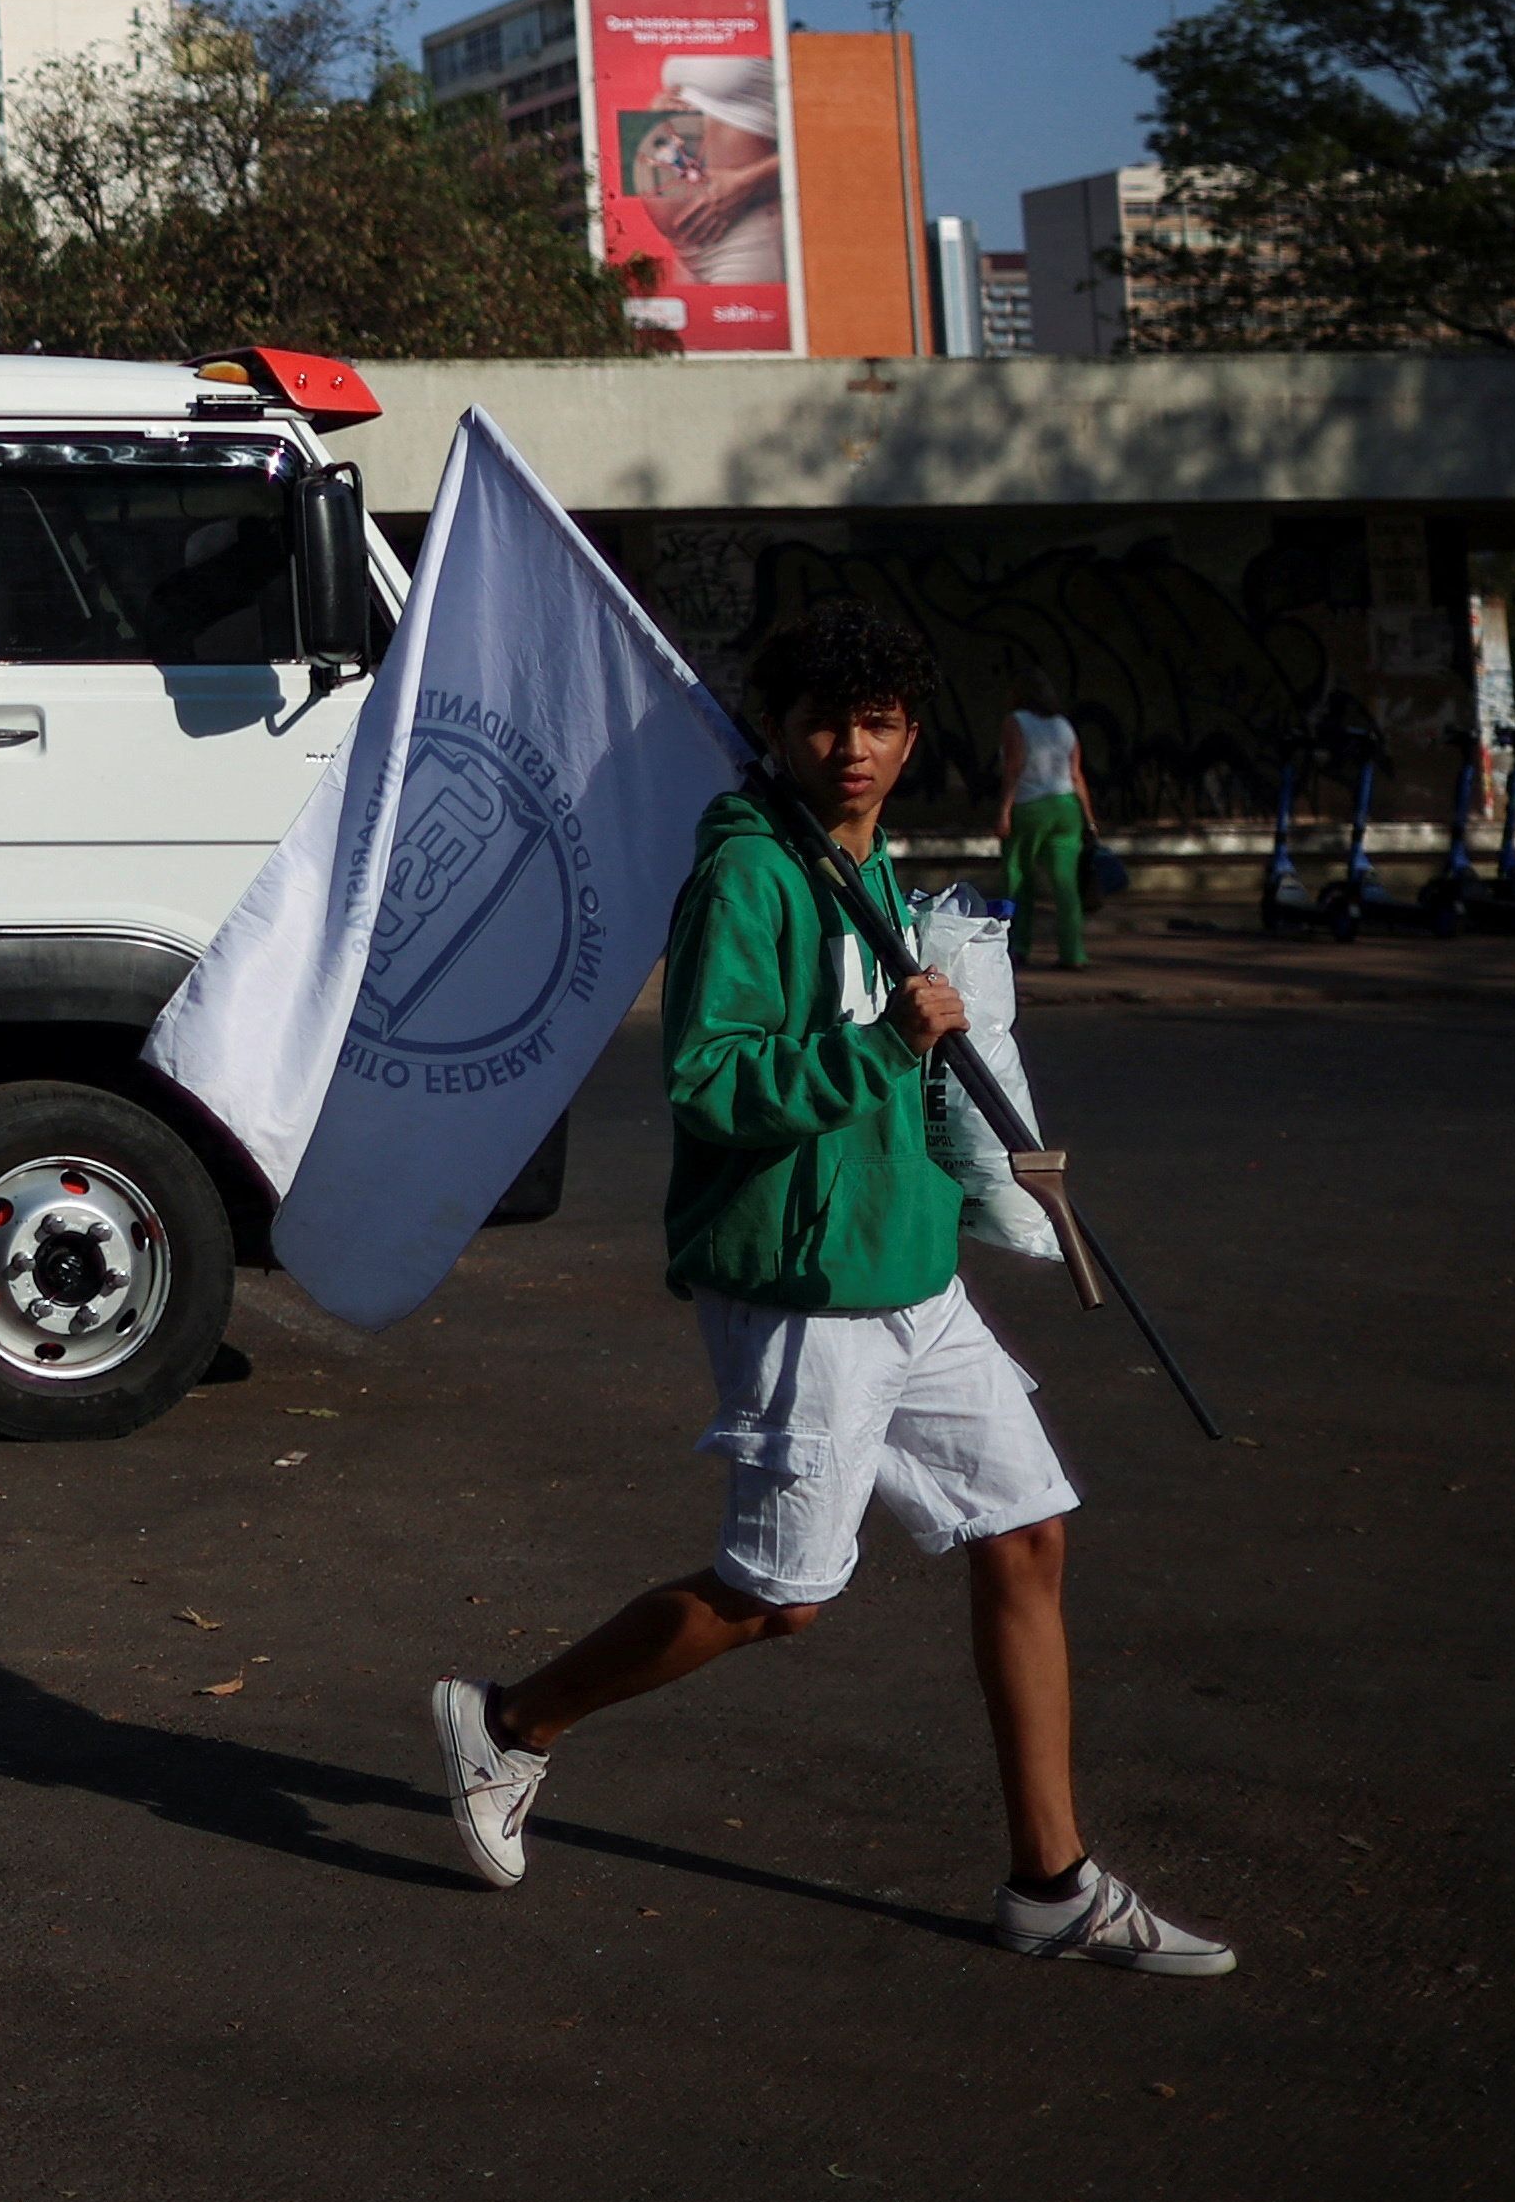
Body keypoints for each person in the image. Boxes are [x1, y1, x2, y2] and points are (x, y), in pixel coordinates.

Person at [429, 604, 1232, 1974]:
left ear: (912, 735)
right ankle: (508, 1724)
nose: (848, 749)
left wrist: (976, 1153)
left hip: (909, 1268)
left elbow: (911, 1059)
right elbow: (713, 1081)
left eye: (875, 725)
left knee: (1027, 1531)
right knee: (782, 1596)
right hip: (804, 1285)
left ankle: (1051, 1882)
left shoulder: (872, 863)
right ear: (777, 731)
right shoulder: (748, 875)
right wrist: (881, 1042)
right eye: (821, 723)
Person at [999, 690, 1093, 972]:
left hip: (1030, 806)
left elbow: (1014, 766)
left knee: (1019, 877)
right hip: (1066, 806)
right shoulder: (1064, 725)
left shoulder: (1015, 721)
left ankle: (1018, 947)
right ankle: (1073, 953)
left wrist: (1004, 809)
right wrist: (1088, 817)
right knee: (1065, 884)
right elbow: (1076, 774)